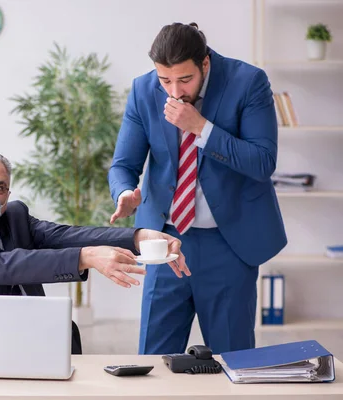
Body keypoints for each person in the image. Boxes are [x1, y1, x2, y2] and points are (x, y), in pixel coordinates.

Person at [108, 22, 287, 355]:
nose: (174, 91)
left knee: (232, 360)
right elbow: (123, 165)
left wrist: (201, 128)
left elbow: (262, 162)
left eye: (185, 80)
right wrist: (124, 193)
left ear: (204, 63)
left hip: (230, 243)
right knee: (155, 357)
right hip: (166, 241)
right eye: (165, 80)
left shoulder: (248, 82)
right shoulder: (144, 90)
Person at [0, 149, 190, 354]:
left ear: (7, 195)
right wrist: (87, 257)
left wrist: (138, 237)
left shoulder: (14, 217)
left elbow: (64, 236)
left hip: (38, 348)